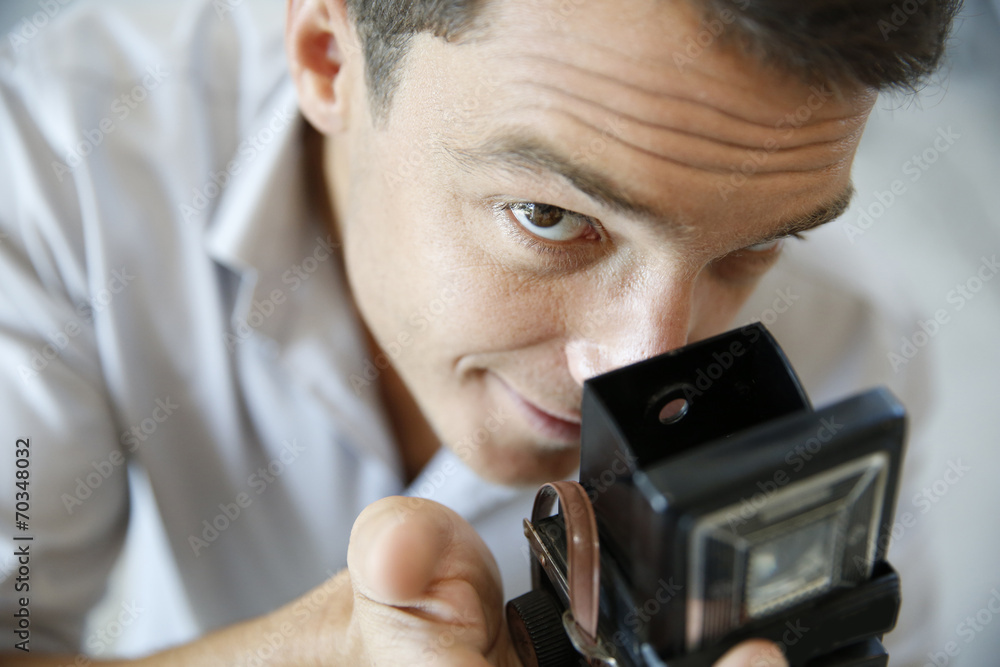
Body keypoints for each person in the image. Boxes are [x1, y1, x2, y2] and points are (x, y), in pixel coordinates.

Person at [0, 0, 959, 664]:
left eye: (759, 244)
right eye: (550, 215)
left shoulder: (845, 366)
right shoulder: (56, 166)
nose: (642, 364)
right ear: (328, 56)